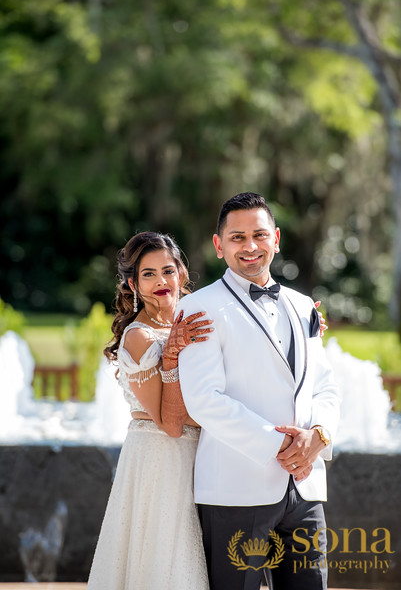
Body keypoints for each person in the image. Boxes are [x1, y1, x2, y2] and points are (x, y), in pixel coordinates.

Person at [177, 193, 341, 590]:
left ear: (276, 238)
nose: (250, 247)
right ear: (219, 245)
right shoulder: (200, 308)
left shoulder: (304, 306)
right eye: (237, 238)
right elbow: (204, 399)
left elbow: (325, 385)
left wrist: (317, 437)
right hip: (235, 487)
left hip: (304, 488)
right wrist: (281, 448)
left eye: (259, 235)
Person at [87, 231, 213, 590]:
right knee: (162, 558)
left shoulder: (199, 316)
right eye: (148, 274)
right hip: (160, 459)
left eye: (168, 270)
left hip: (204, 455)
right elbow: (168, 422)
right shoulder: (140, 337)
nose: (161, 281)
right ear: (132, 282)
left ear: (183, 273)